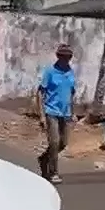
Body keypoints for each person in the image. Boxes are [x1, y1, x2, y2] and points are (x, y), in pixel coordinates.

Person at [36, 43, 76, 184]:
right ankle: (53, 172)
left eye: (68, 56)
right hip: (51, 111)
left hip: (65, 113)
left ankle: (44, 158)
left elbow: (71, 93)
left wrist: (73, 113)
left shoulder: (70, 72)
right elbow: (40, 93)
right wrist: (41, 115)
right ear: (58, 56)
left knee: (63, 143)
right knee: (54, 142)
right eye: (63, 56)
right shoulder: (50, 72)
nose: (66, 59)